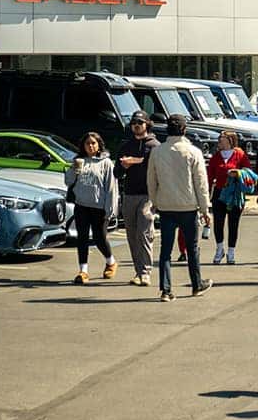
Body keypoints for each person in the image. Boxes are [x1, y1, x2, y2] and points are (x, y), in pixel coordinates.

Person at [148, 114, 213, 302]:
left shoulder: (157, 151)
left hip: (166, 205)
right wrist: (204, 209)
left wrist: (155, 201)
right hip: (188, 206)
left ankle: (166, 290)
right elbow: (201, 183)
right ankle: (196, 284)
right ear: (184, 130)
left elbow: (151, 180)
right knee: (192, 248)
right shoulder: (193, 152)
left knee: (165, 250)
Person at [66, 131, 119, 285]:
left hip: (99, 207)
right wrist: (74, 170)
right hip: (81, 205)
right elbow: (68, 181)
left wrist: (110, 209)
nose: (90, 146)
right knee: (81, 237)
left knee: (99, 238)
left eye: (93, 143)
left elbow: (111, 188)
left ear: (99, 145)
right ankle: (83, 271)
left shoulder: (106, 163)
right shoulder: (78, 160)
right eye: (87, 143)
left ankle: (111, 261)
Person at [114, 110, 160, 286]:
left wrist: (141, 161)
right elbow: (116, 173)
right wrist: (125, 166)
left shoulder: (154, 146)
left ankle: (145, 271)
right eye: (134, 123)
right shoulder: (126, 146)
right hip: (129, 194)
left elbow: (159, 171)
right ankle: (138, 271)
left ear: (147, 124)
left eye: (140, 123)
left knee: (144, 232)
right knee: (132, 234)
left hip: (148, 195)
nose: (136, 126)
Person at [207, 130, 252, 265]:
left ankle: (231, 251)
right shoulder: (216, 156)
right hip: (219, 193)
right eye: (219, 139)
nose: (219, 141)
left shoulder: (240, 155)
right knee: (218, 222)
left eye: (222, 139)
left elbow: (248, 171)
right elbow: (209, 176)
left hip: (234, 194)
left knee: (233, 223)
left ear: (230, 141)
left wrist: (238, 173)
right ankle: (219, 249)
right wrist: (206, 192)